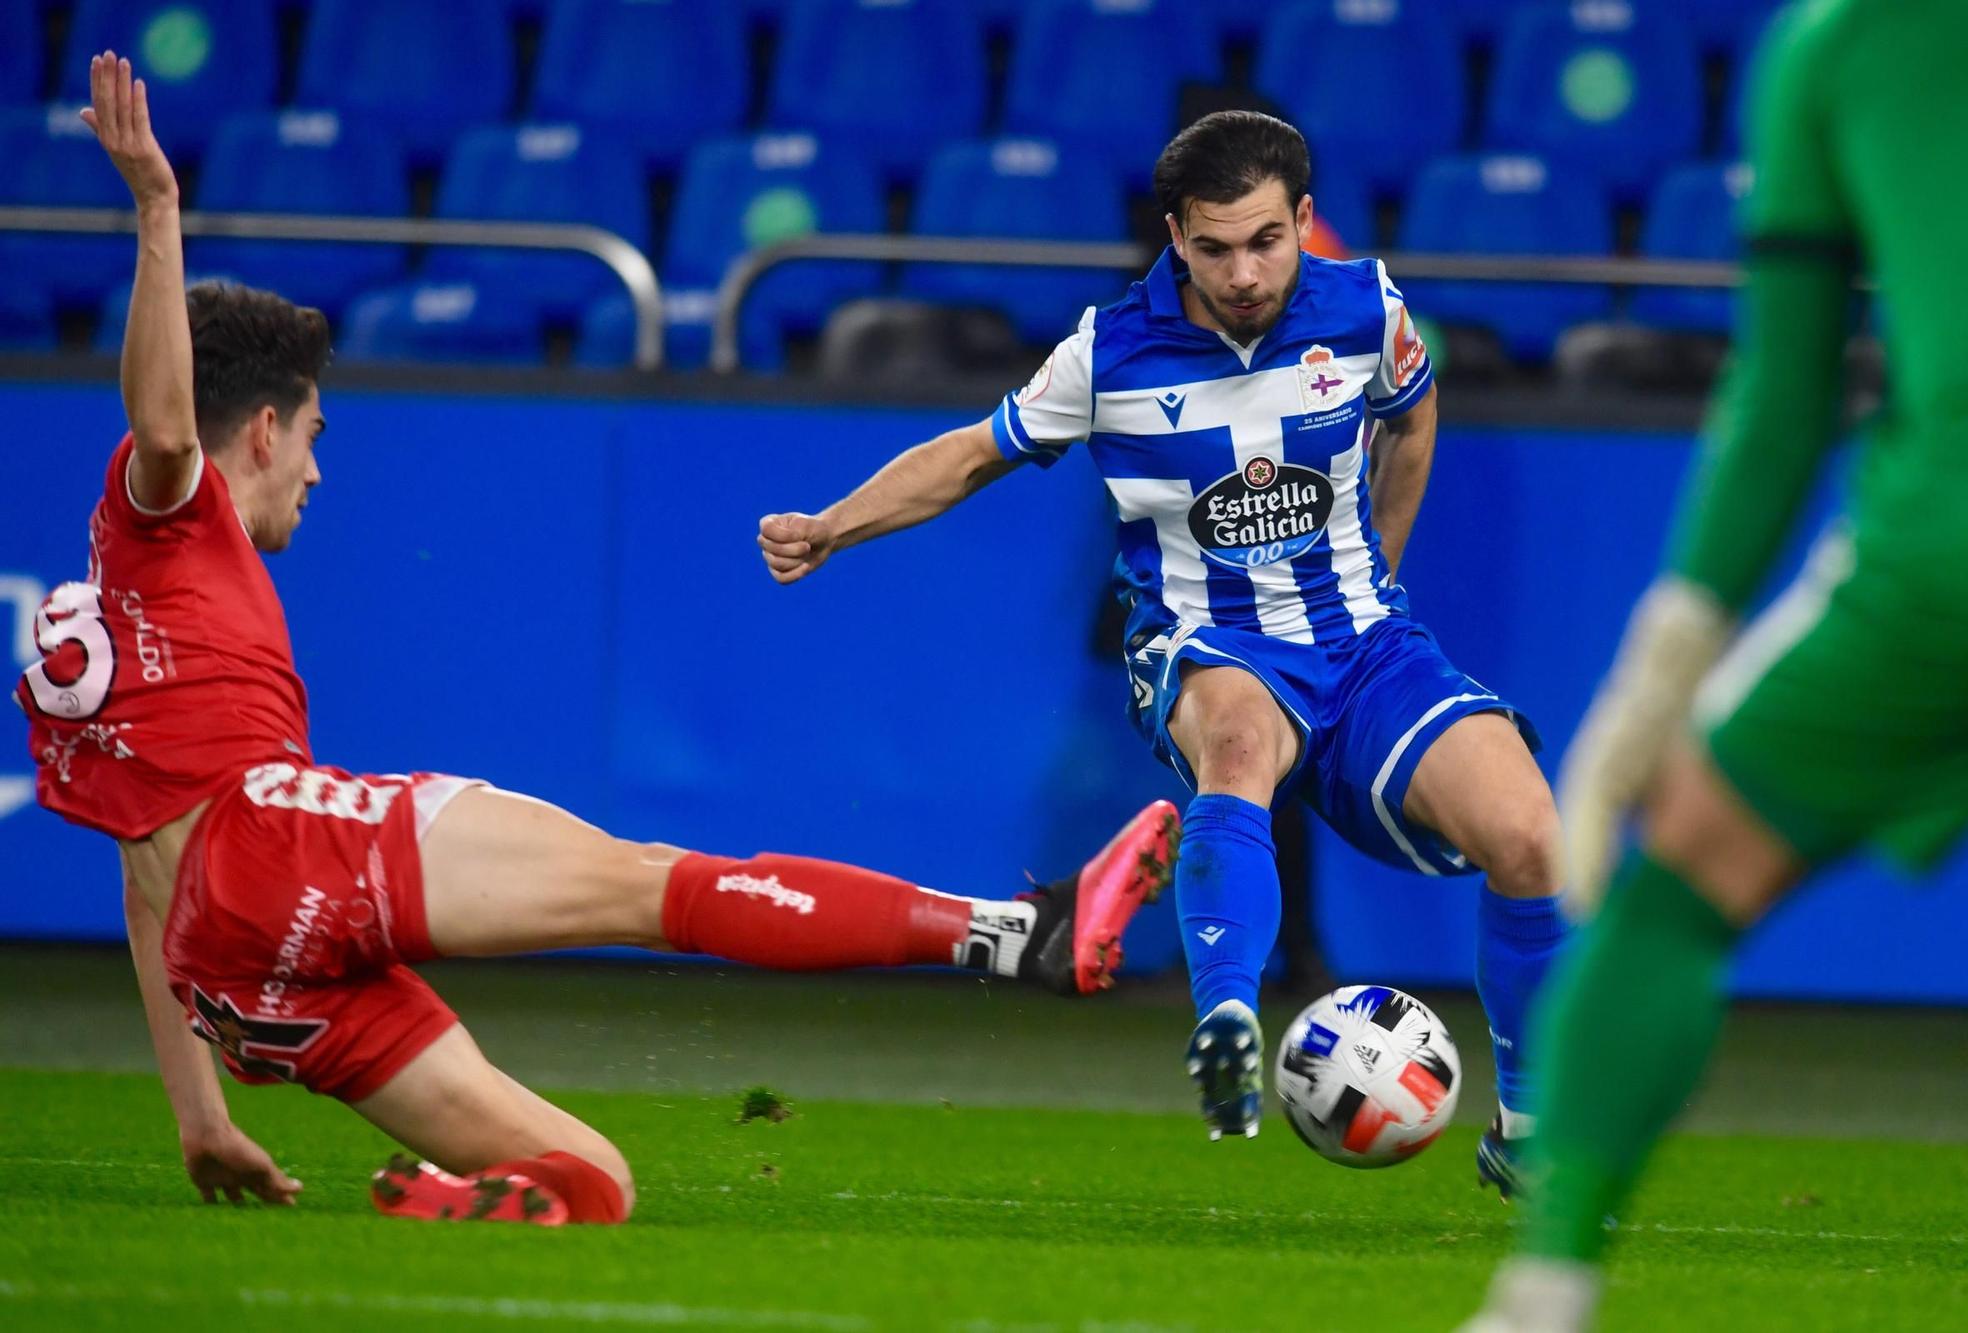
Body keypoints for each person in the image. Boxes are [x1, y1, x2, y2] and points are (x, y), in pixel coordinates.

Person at [17, 52, 1180, 1227]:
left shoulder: (115, 606)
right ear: (261, 428)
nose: (316, 468)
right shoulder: (172, 512)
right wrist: (159, 210)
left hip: (234, 980)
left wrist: (202, 1116)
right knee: (648, 885)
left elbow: (142, 886)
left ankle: (430, 1209)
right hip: (275, 850)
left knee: (592, 1189)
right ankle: (1010, 935)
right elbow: (166, 427)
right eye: (312, 434)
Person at [759, 111, 1567, 1184]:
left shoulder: (1366, 308)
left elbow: (1411, 419)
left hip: (1365, 645)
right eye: (1215, 246)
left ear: (1304, 222)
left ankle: (1526, 1138)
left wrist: (1382, 574)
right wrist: (828, 527)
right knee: (1236, 745)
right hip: (1206, 640)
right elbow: (967, 457)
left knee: (1529, 837)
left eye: (1266, 241)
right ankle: (1226, 1018)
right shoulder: (1106, 353)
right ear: (1175, 234)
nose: (1242, 272)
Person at [1465, 1, 1968, 1326]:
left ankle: (1545, 1292)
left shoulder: (1843, 43)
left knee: (1679, 883)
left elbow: (1786, 392)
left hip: (1957, 560)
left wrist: (1662, 674)